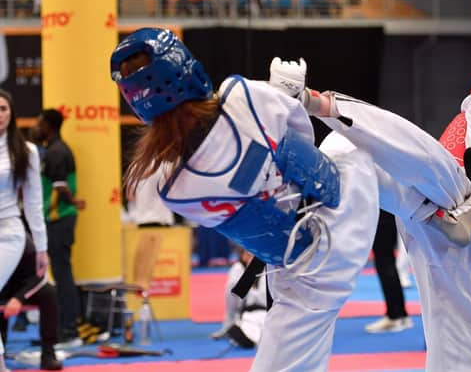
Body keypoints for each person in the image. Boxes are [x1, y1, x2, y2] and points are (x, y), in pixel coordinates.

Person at [273, 11, 471, 371]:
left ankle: (311, 130)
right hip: (442, 193)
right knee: (362, 149)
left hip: (457, 230)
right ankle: (310, 106)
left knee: (466, 351)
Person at [109, 28, 381, 371]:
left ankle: (437, 204)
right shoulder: (241, 95)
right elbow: (305, 145)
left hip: (292, 266)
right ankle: (442, 199)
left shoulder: (174, 187)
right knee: (355, 140)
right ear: (186, 68)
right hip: (334, 226)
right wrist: (284, 94)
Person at [0, 89, 48, 372]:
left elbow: (34, 204)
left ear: (12, 113)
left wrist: (41, 248)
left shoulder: (26, 151)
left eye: (3, 108)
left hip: (9, 232)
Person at [33, 109, 86, 348]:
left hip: (59, 220)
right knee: (60, 275)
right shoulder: (52, 149)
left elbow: (61, 186)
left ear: (49, 125)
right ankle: (60, 329)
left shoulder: (56, 151)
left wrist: (73, 201)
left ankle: (69, 331)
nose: (36, 127)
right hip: (56, 220)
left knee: (63, 276)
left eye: (39, 123)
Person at [0, 234, 62, 370]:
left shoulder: (26, 244)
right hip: (3, 288)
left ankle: (48, 353)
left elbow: (40, 277)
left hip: (25, 286)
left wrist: (19, 298)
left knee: (49, 293)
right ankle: (1, 353)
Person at [364, 211, 413, 333]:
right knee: (385, 260)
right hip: (388, 211)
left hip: (384, 211)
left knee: (384, 260)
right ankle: (399, 314)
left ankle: (396, 315)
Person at [210, 247, 267, 348]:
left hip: (266, 313)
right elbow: (231, 303)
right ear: (242, 255)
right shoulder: (237, 269)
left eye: (254, 256)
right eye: (248, 255)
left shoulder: (268, 268)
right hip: (247, 314)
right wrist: (227, 326)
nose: (251, 258)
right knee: (245, 333)